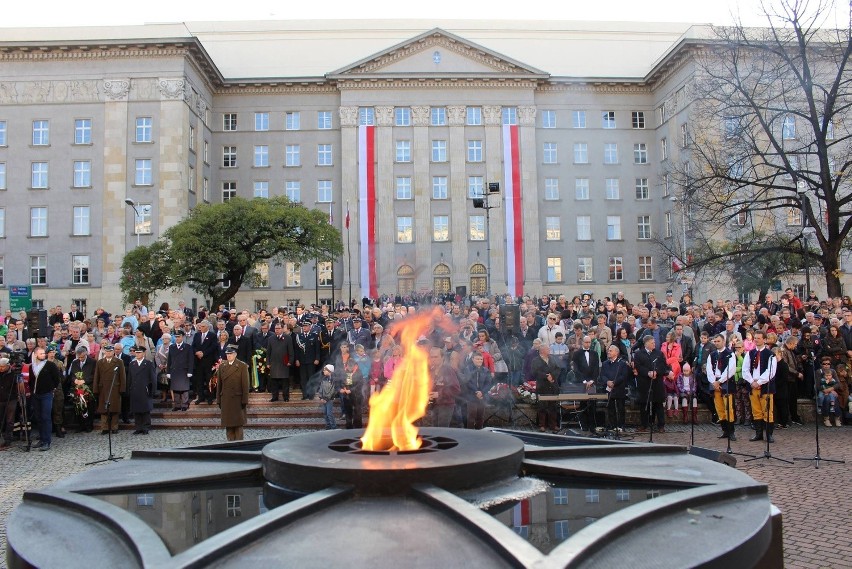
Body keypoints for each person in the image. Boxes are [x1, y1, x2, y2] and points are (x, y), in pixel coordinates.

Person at [743, 330, 778, 443]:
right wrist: (752, 381)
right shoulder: (750, 353)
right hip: (753, 385)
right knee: (756, 411)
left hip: (765, 386)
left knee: (767, 411)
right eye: (755, 338)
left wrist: (760, 382)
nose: (756, 340)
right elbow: (745, 369)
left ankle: (769, 435)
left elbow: (771, 371)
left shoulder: (770, 354)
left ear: (764, 339)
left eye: (758, 338)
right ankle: (758, 433)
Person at [633, 335, 670, 433]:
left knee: (658, 404)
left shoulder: (659, 353)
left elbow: (663, 366)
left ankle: (661, 425)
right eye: (652, 343)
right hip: (644, 382)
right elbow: (638, 366)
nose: (654, 344)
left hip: (657, 382)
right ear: (646, 343)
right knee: (644, 405)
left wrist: (656, 372)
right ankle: (644, 424)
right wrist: (647, 372)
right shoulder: (638, 354)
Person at [706, 334, 737, 441]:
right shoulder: (712, 355)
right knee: (719, 408)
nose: (716, 343)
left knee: (729, 408)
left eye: (718, 341)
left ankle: (731, 431)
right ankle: (725, 431)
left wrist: (720, 381)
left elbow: (731, 369)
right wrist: (714, 382)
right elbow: (709, 370)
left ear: (723, 341)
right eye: (715, 341)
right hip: (715, 382)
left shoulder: (730, 354)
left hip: (726, 382)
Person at [216, 345, 250, 440]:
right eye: (227, 354)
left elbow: (245, 385)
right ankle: (230, 445)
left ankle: (239, 446)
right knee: (228, 425)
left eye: (230, 354)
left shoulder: (242, 366)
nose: (229, 356)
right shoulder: (222, 366)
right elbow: (219, 385)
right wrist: (218, 399)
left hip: (237, 399)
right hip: (226, 399)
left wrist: (245, 400)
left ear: (235, 354)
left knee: (238, 425)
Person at [92, 344, 126, 435]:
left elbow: (122, 376)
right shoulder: (100, 362)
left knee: (114, 408)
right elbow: (96, 376)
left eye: (110, 351)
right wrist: (95, 389)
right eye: (107, 351)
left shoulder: (119, 362)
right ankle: (105, 427)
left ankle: (114, 427)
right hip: (103, 388)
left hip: (115, 387)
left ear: (113, 352)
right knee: (103, 409)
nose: (108, 353)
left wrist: (122, 388)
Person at [531, 344, 562, 433]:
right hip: (542, 386)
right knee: (542, 406)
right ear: (542, 350)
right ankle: (542, 425)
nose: (549, 350)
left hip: (553, 385)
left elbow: (558, 369)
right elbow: (534, 372)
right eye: (548, 349)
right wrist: (545, 376)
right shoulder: (535, 360)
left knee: (553, 406)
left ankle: (553, 425)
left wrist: (552, 376)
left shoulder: (553, 358)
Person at [572, 336, 601, 430]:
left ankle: (592, 426)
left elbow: (597, 368)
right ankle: (584, 426)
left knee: (592, 404)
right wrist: (584, 381)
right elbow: (576, 369)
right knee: (583, 404)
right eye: (586, 342)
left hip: (592, 382)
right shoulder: (576, 354)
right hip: (581, 382)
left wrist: (592, 380)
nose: (588, 344)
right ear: (582, 342)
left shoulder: (595, 353)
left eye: (589, 342)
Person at [428, 346, 461, 428]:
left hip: (446, 405)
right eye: (431, 357)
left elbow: (456, 389)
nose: (433, 359)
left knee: (442, 431)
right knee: (435, 430)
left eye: (436, 357)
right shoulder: (431, 370)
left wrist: (439, 394)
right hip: (434, 405)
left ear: (442, 358)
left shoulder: (448, 370)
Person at [127, 346, 157, 435]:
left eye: (139, 352)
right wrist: (129, 389)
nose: (137, 354)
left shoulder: (148, 364)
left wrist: (152, 391)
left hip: (145, 389)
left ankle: (145, 427)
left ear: (143, 353)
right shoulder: (132, 364)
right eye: (136, 352)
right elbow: (129, 378)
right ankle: (138, 427)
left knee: (145, 410)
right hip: (135, 390)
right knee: (136, 410)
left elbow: (153, 378)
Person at [66, 345, 96, 432]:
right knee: (78, 407)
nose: (80, 359)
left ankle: (89, 425)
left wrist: (84, 381)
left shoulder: (93, 362)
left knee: (89, 407)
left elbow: (94, 375)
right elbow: (71, 374)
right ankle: (80, 425)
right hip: (77, 388)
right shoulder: (75, 362)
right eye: (79, 357)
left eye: (82, 357)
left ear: (86, 354)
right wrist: (75, 380)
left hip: (88, 388)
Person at [601, 344, 629, 431]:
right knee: (610, 408)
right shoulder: (605, 363)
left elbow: (623, 376)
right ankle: (612, 425)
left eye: (610, 351)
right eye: (608, 350)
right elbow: (602, 375)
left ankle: (621, 426)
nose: (608, 352)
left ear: (616, 352)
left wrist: (614, 382)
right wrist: (607, 382)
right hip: (609, 389)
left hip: (619, 388)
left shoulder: (622, 363)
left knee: (620, 408)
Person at [191, 320, 218, 406]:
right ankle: (200, 397)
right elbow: (193, 346)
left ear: (207, 327)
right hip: (198, 362)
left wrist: (204, 353)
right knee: (199, 380)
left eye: (202, 326)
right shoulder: (197, 335)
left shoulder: (212, 335)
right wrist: (196, 352)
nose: (200, 328)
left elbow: (213, 347)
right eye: (200, 326)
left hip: (208, 362)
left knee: (209, 380)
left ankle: (210, 397)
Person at [267, 322, 295, 402]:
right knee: (274, 382)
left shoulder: (288, 338)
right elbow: (268, 352)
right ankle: (274, 397)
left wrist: (290, 361)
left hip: (284, 363)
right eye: (276, 329)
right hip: (274, 363)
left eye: (279, 328)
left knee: (285, 382)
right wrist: (268, 363)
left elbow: (291, 351)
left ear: (282, 329)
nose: (277, 330)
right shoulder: (271, 338)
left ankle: (286, 397)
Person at [463, 352, 492, 430]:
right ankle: (471, 434)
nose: (479, 361)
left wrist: (482, 392)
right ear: (473, 359)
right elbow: (468, 382)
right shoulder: (468, 369)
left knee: (480, 417)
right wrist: (476, 391)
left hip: (482, 396)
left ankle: (479, 433)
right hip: (471, 396)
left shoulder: (485, 370)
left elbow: (488, 383)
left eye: (481, 359)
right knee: (471, 417)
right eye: (477, 359)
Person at [168, 329, 194, 412]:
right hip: (174, 370)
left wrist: (190, 371)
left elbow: (191, 360)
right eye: (176, 337)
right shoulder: (171, 347)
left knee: (184, 389)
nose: (177, 338)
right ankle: (177, 405)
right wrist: (168, 372)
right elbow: (169, 360)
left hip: (184, 370)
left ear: (182, 337)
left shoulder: (188, 347)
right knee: (175, 389)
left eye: (178, 337)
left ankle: (184, 405)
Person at [339, 357, 365, 429]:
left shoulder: (358, 372)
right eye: (348, 367)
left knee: (357, 412)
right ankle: (349, 426)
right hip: (346, 395)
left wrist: (351, 390)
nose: (349, 369)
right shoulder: (344, 371)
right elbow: (341, 381)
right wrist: (342, 388)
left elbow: (360, 384)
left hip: (357, 395)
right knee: (348, 411)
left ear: (354, 366)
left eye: (351, 367)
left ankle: (358, 427)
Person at [0, 357, 19, 448]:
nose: (1, 368)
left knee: (9, 419)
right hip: (1, 399)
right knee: (1, 418)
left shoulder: (14, 374)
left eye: (3, 367)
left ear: (8, 366)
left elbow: (18, 386)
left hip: (11, 398)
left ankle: (8, 438)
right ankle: (3, 436)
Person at [316, 364, 338, 430]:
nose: (323, 371)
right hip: (324, 399)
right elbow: (321, 389)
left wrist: (326, 398)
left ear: (329, 371)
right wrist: (321, 397)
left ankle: (333, 427)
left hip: (329, 399)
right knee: (325, 413)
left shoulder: (333, 379)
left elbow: (332, 390)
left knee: (329, 413)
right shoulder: (324, 378)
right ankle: (328, 426)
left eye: (325, 370)